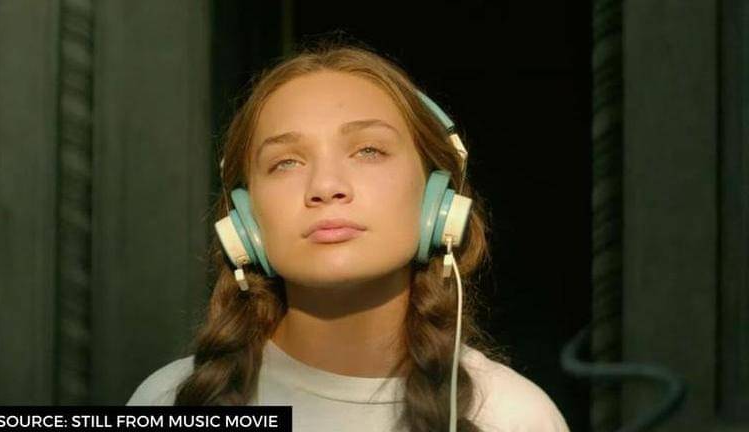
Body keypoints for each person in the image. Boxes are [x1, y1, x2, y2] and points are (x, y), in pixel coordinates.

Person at [127, 42, 570, 432]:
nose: (325, 186)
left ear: (438, 196)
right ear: (244, 219)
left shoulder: (511, 415)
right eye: (285, 162)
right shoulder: (168, 401)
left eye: (368, 151)